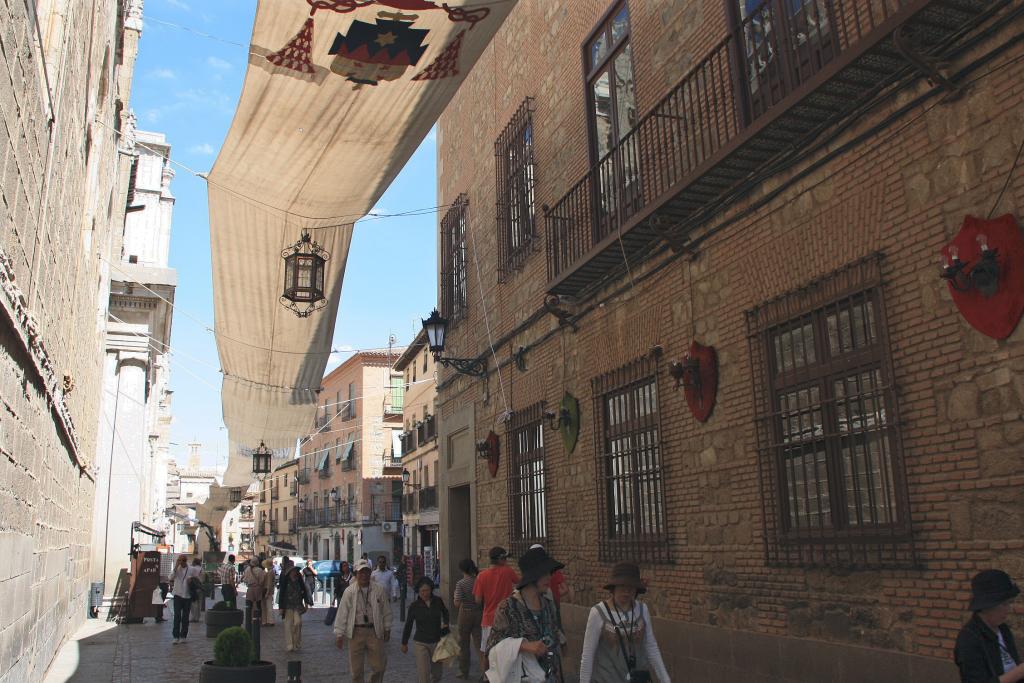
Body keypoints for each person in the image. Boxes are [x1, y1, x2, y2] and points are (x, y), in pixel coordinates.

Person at [579, 562, 670, 683]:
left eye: (631, 587)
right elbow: (588, 656)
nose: (626, 591)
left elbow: (651, 647)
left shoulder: (642, 610)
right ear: (614, 587)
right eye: (622, 586)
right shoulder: (598, 613)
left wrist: (665, 679)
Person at [485, 546, 565, 682]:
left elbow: (554, 636)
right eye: (544, 573)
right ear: (533, 576)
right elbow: (492, 647)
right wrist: (524, 646)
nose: (549, 577)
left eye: (550, 572)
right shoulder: (508, 608)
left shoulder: (548, 605)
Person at [954, 569, 1024, 682]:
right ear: (986, 605)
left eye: (1009, 603)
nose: (1008, 609)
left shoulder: (1003, 628)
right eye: (1004, 604)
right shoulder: (968, 639)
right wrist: (1019, 672)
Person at [335, 559, 392, 683]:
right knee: (356, 671)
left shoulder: (378, 590)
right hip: (356, 632)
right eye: (361, 572)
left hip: (374, 631)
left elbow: (386, 611)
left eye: (366, 572)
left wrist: (387, 628)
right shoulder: (349, 591)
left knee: (379, 667)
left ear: (370, 573)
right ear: (356, 574)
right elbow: (342, 613)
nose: (364, 575)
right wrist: (339, 634)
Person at [473, 546, 519, 674]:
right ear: (501, 560)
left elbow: (477, 600)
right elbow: (520, 584)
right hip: (507, 618)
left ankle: (485, 676)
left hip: (488, 619)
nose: (506, 561)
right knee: (507, 651)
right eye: (505, 559)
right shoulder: (508, 572)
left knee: (486, 651)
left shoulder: (481, 576)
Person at [402, 576, 451, 683]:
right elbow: (409, 624)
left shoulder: (438, 601)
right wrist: (404, 643)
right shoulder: (414, 606)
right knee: (423, 674)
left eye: (427, 590)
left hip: (437, 641)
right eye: (422, 591)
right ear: (418, 591)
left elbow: (445, 612)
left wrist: (446, 623)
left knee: (437, 674)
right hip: (421, 642)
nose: (425, 593)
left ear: (431, 589)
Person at [453, 558, 482, 680]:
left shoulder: (461, 583)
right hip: (479, 613)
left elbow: (457, 603)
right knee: (480, 644)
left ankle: (464, 671)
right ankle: (485, 671)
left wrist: (455, 597)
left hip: (465, 614)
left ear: (461, 569)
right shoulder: (479, 580)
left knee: (463, 644)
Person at [278, 559, 313, 653]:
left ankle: (297, 642)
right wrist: (281, 607)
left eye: (295, 570)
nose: (294, 572)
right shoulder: (285, 579)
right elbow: (281, 593)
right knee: (288, 625)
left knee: (298, 623)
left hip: (297, 605)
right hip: (288, 605)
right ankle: (290, 645)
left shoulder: (299, 578)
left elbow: (304, 590)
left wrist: (306, 602)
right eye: (292, 570)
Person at [169, 555, 199, 644]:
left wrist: (192, 580)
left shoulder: (191, 569)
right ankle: (175, 636)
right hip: (178, 595)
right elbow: (170, 577)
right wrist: (175, 567)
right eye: (180, 560)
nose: (182, 562)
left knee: (185, 617)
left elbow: (197, 578)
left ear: (186, 561)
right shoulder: (177, 569)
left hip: (187, 596)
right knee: (177, 616)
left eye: (184, 560)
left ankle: (183, 636)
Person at [241, 558, 266, 625]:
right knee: (258, 604)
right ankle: (259, 619)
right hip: (258, 588)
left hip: (250, 588)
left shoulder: (247, 569)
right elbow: (262, 580)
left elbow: (245, 580)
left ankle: (249, 619)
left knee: (249, 605)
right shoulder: (260, 570)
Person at [189, 557, 205, 622]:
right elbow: (203, 579)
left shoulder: (192, 568)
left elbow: (189, 577)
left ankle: (193, 617)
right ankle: (198, 617)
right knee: (199, 603)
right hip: (201, 587)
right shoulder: (202, 569)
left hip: (194, 588)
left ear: (194, 562)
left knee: (193, 603)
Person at [261, 559, 277, 625]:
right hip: (270, 590)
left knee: (268, 606)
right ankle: (269, 620)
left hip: (268, 591)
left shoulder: (270, 572)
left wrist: (267, 592)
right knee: (268, 606)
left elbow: (269, 583)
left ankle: (270, 621)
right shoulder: (271, 571)